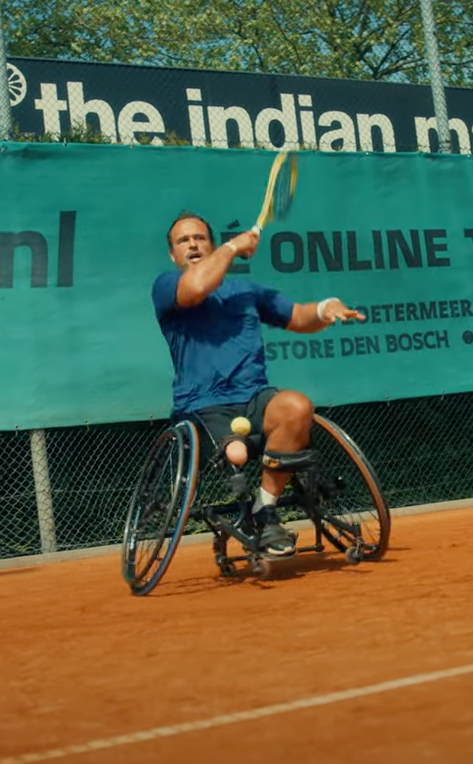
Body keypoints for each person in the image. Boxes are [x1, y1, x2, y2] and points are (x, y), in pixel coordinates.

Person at [151, 210, 365, 558]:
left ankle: (264, 512)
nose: (192, 244)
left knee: (297, 406)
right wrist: (235, 246)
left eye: (200, 238)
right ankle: (259, 514)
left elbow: (297, 316)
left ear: (211, 243)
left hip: (255, 398)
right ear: (173, 255)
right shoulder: (166, 287)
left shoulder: (246, 290)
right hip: (202, 408)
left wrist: (327, 308)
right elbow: (196, 288)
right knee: (236, 452)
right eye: (183, 240)